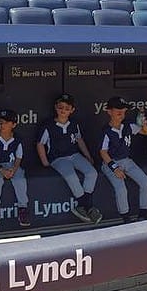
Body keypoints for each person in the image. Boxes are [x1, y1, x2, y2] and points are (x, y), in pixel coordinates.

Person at [36, 94, 101, 224]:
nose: (63, 110)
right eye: (60, 107)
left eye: (67, 108)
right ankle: (88, 207)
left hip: (74, 155)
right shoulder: (48, 125)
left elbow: (79, 140)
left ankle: (82, 206)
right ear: (56, 108)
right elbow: (40, 144)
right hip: (58, 158)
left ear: (72, 110)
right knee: (71, 176)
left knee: (92, 172)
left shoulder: (74, 124)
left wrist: (88, 156)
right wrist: (45, 162)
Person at [99, 96, 147, 223]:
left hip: (126, 160)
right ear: (109, 111)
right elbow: (103, 152)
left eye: (123, 111)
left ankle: (143, 213)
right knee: (121, 188)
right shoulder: (106, 130)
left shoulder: (127, 126)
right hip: (110, 163)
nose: (121, 114)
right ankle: (126, 217)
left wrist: (143, 125)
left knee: (146, 183)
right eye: (118, 111)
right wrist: (114, 168)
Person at [0, 109, 29, 227]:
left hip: (12, 165)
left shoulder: (18, 139)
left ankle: (23, 209)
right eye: (0, 122)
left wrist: (14, 169)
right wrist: (1, 170)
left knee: (20, 179)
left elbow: (19, 158)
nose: (2, 125)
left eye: (6, 122)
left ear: (13, 124)